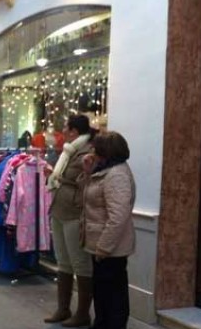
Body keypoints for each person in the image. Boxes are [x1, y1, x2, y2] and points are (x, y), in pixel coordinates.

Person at [44, 115, 95, 327]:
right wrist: (54, 175)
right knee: (63, 261)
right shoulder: (69, 151)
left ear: (74, 131)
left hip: (75, 212)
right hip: (59, 208)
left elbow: (86, 181)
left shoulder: (88, 151)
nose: (63, 130)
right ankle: (63, 309)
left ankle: (82, 313)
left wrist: (57, 177)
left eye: (66, 127)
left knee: (80, 263)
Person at [80, 131, 135, 329]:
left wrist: (103, 247)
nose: (91, 150)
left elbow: (118, 217)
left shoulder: (116, 175)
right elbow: (92, 199)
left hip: (110, 249)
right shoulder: (104, 170)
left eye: (95, 147)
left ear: (106, 151)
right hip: (101, 246)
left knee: (113, 297)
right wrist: (88, 172)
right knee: (103, 294)